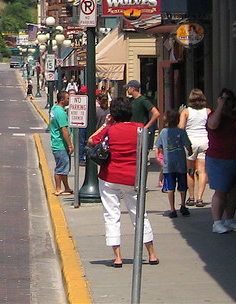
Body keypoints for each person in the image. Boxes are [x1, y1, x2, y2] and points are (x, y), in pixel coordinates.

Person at [88, 96, 160, 268]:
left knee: (111, 215)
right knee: (139, 214)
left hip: (109, 177)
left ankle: (118, 256)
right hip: (132, 177)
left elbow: (92, 140)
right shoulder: (139, 128)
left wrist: (106, 124)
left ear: (112, 114)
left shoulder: (110, 130)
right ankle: (151, 253)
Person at [206, 88, 236, 233]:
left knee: (234, 191)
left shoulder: (235, 116)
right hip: (218, 158)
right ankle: (217, 222)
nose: (226, 102)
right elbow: (213, 125)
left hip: (235, 157)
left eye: (229, 100)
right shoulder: (214, 115)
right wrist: (220, 107)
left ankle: (230, 219)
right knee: (220, 191)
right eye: (223, 99)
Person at [156, 109, 193, 218]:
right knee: (182, 186)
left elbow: (159, 146)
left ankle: (172, 209)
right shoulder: (181, 132)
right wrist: (190, 151)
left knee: (170, 187)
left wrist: (159, 156)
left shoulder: (163, 132)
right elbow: (187, 145)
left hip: (169, 164)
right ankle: (182, 205)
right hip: (180, 162)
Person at [179, 88, 211, 207]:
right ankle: (200, 198)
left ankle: (191, 197)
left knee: (190, 170)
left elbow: (181, 128)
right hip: (205, 141)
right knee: (202, 171)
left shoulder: (186, 112)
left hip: (190, 142)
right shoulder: (208, 111)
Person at [48, 90, 73, 196]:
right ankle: (58, 188)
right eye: (68, 98)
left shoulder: (54, 109)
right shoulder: (60, 112)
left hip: (56, 143)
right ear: (62, 100)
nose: (69, 100)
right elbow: (64, 130)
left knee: (64, 167)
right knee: (61, 167)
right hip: (60, 145)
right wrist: (70, 145)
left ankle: (66, 187)